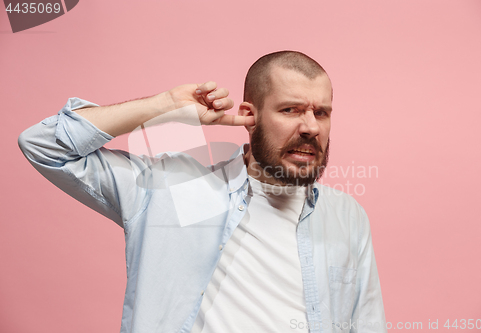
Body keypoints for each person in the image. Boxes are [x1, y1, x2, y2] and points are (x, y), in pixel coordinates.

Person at [19, 51, 387, 333]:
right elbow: (44, 145)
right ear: (249, 114)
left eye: (321, 113)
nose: (310, 127)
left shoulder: (346, 216)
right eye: (290, 109)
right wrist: (164, 106)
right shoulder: (169, 187)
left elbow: (368, 323)